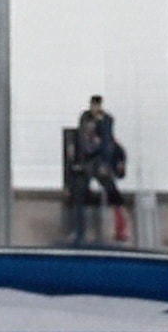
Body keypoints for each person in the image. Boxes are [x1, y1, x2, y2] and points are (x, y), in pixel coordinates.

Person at [72, 96, 129, 245]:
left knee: (112, 192)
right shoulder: (86, 118)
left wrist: (105, 163)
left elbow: (106, 141)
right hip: (88, 162)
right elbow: (82, 140)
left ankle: (120, 228)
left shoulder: (106, 120)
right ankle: (80, 231)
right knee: (80, 196)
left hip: (99, 161)